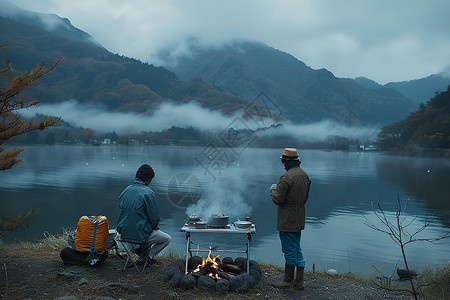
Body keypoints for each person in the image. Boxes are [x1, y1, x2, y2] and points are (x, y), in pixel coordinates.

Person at [270, 148, 311, 290]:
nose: (282, 164)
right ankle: (299, 282)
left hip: (287, 219)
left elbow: (278, 199)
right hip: (299, 217)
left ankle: (288, 281)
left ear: (286, 161)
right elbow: (306, 196)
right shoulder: (304, 175)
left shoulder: (286, 177)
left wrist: (272, 190)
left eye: (283, 161)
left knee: (288, 249)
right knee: (296, 248)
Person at [117, 164, 171, 263]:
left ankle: (138, 251)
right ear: (148, 180)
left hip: (123, 234)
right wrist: (154, 227)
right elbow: (154, 217)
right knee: (167, 238)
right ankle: (148, 257)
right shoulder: (148, 192)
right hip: (139, 235)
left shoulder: (125, 191)